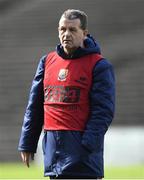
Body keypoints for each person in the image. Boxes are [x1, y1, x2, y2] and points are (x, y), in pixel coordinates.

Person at [18, 9, 115, 179]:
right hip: (53, 156)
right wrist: (27, 142)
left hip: (83, 159)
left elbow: (104, 111)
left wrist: (86, 145)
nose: (66, 34)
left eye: (72, 30)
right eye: (63, 29)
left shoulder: (99, 66)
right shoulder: (46, 62)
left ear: (84, 33)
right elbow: (34, 106)